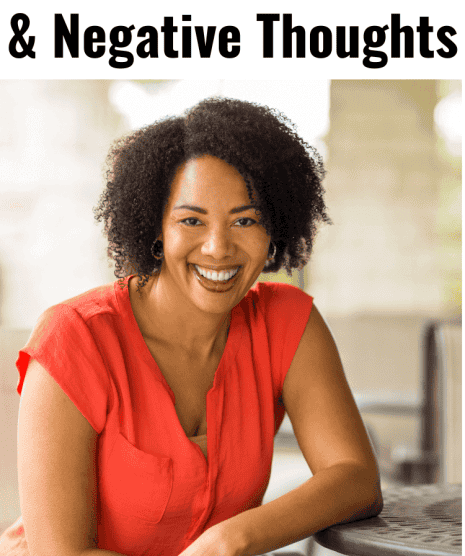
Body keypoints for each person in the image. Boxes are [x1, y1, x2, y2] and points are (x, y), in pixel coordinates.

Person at [2, 97, 382, 556]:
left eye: (245, 220)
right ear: (156, 229)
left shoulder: (286, 323)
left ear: (275, 229)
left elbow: (355, 479)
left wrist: (233, 538)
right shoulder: (75, 338)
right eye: (191, 220)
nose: (219, 248)